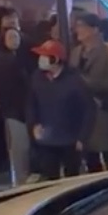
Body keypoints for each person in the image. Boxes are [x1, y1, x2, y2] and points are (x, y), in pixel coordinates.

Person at [26, 38, 93, 181]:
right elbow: (31, 104)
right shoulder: (37, 78)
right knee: (50, 178)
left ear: (55, 59)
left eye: (44, 56)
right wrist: (33, 124)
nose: (40, 59)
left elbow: (88, 110)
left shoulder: (75, 81)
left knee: (72, 179)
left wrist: (82, 137)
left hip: (70, 140)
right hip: (46, 140)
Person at [73, 13, 108, 172]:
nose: (78, 30)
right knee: (89, 155)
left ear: (94, 30)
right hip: (81, 112)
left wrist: (86, 82)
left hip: (101, 109)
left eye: (82, 26)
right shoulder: (76, 52)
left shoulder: (107, 53)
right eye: (77, 26)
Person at [0, 25, 32, 186]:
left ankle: (20, 179)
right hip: (16, 112)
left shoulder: (12, 57)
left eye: (16, 37)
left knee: (19, 148)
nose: (15, 40)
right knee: (20, 149)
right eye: (11, 37)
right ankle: (21, 181)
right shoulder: (7, 61)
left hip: (15, 111)